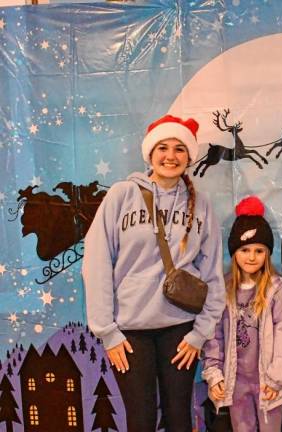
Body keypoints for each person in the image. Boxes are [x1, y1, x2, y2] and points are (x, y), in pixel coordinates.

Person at [82, 114, 225, 432]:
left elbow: (213, 273)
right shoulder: (122, 195)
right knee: (141, 420)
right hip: (130, 332)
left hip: (180, 330)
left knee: (179, 419)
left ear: (189, 156)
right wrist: (107, 330)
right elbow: (96, 262)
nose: (170, 156)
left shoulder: (200, 204)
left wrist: (200, 333)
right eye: (163, 147)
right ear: (150, 153)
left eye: (179, 149)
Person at [202, 196, 282, 432]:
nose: (251, 257)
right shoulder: (223, 290)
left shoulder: (276, 289)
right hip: (236, 380)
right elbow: (213, 336)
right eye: (245, 249)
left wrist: (276, 378)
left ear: (267, 253)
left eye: (259, 250)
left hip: (268, 381)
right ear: (234, 252)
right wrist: (214, 374)